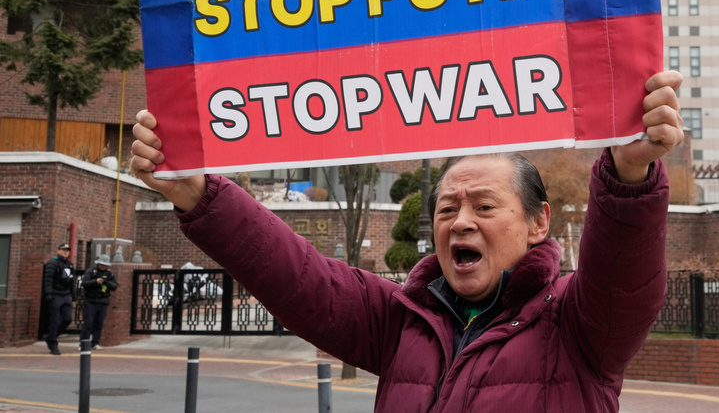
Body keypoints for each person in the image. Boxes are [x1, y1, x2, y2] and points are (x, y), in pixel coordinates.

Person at [131, 70, 684, 411]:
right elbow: (297, 275)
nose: (461, 221)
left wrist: (628, 175)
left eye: (485, 207)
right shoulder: (401, 319)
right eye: (448, 208)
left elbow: (623, 277)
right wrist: (200, 194)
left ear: (539, 222)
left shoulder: (579, 324)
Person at [79, 254, 118, 350]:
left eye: (104, 265)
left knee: (99, 323)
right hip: (91, 301)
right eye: (101, 264)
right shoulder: (91, 271)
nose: (103, 267)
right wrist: (95, 281)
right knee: (88, 323)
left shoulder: (109, 273)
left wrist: (107, 282)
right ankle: (83, 343)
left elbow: (115, 286)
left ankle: (95, 343)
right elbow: (84, 283)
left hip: (103, 301)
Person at [42, 242, 74, 355]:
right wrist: (49, 294)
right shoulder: (53, 262)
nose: (66, 252)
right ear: (58, 251)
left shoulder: (69, 263)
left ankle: (50, 336)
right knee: (54, 321)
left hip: (65, 295)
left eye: (67, 250)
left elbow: (70, 280)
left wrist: (73, 295)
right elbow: (48, 279)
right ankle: (53, 345)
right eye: (63, 250)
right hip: (55, 294)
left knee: (68, 319)